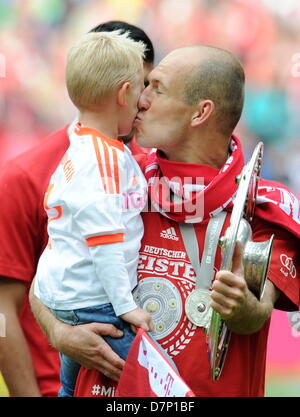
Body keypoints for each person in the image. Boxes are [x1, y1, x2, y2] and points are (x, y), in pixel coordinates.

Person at [30, 45, 300, 397]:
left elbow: (258, 312)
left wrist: (241, 308)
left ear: (200, 113)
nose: (140, 98)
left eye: (157, 88)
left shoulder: (261, 205)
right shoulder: (119, 181)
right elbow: (46, 278)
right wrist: (59, 332)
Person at [0, 21, 154, 397]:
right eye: (142, 87)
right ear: (122, 91)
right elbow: (1, 311)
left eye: (154, 87)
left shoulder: (149, 168)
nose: (146, 101)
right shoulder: (21, 177)